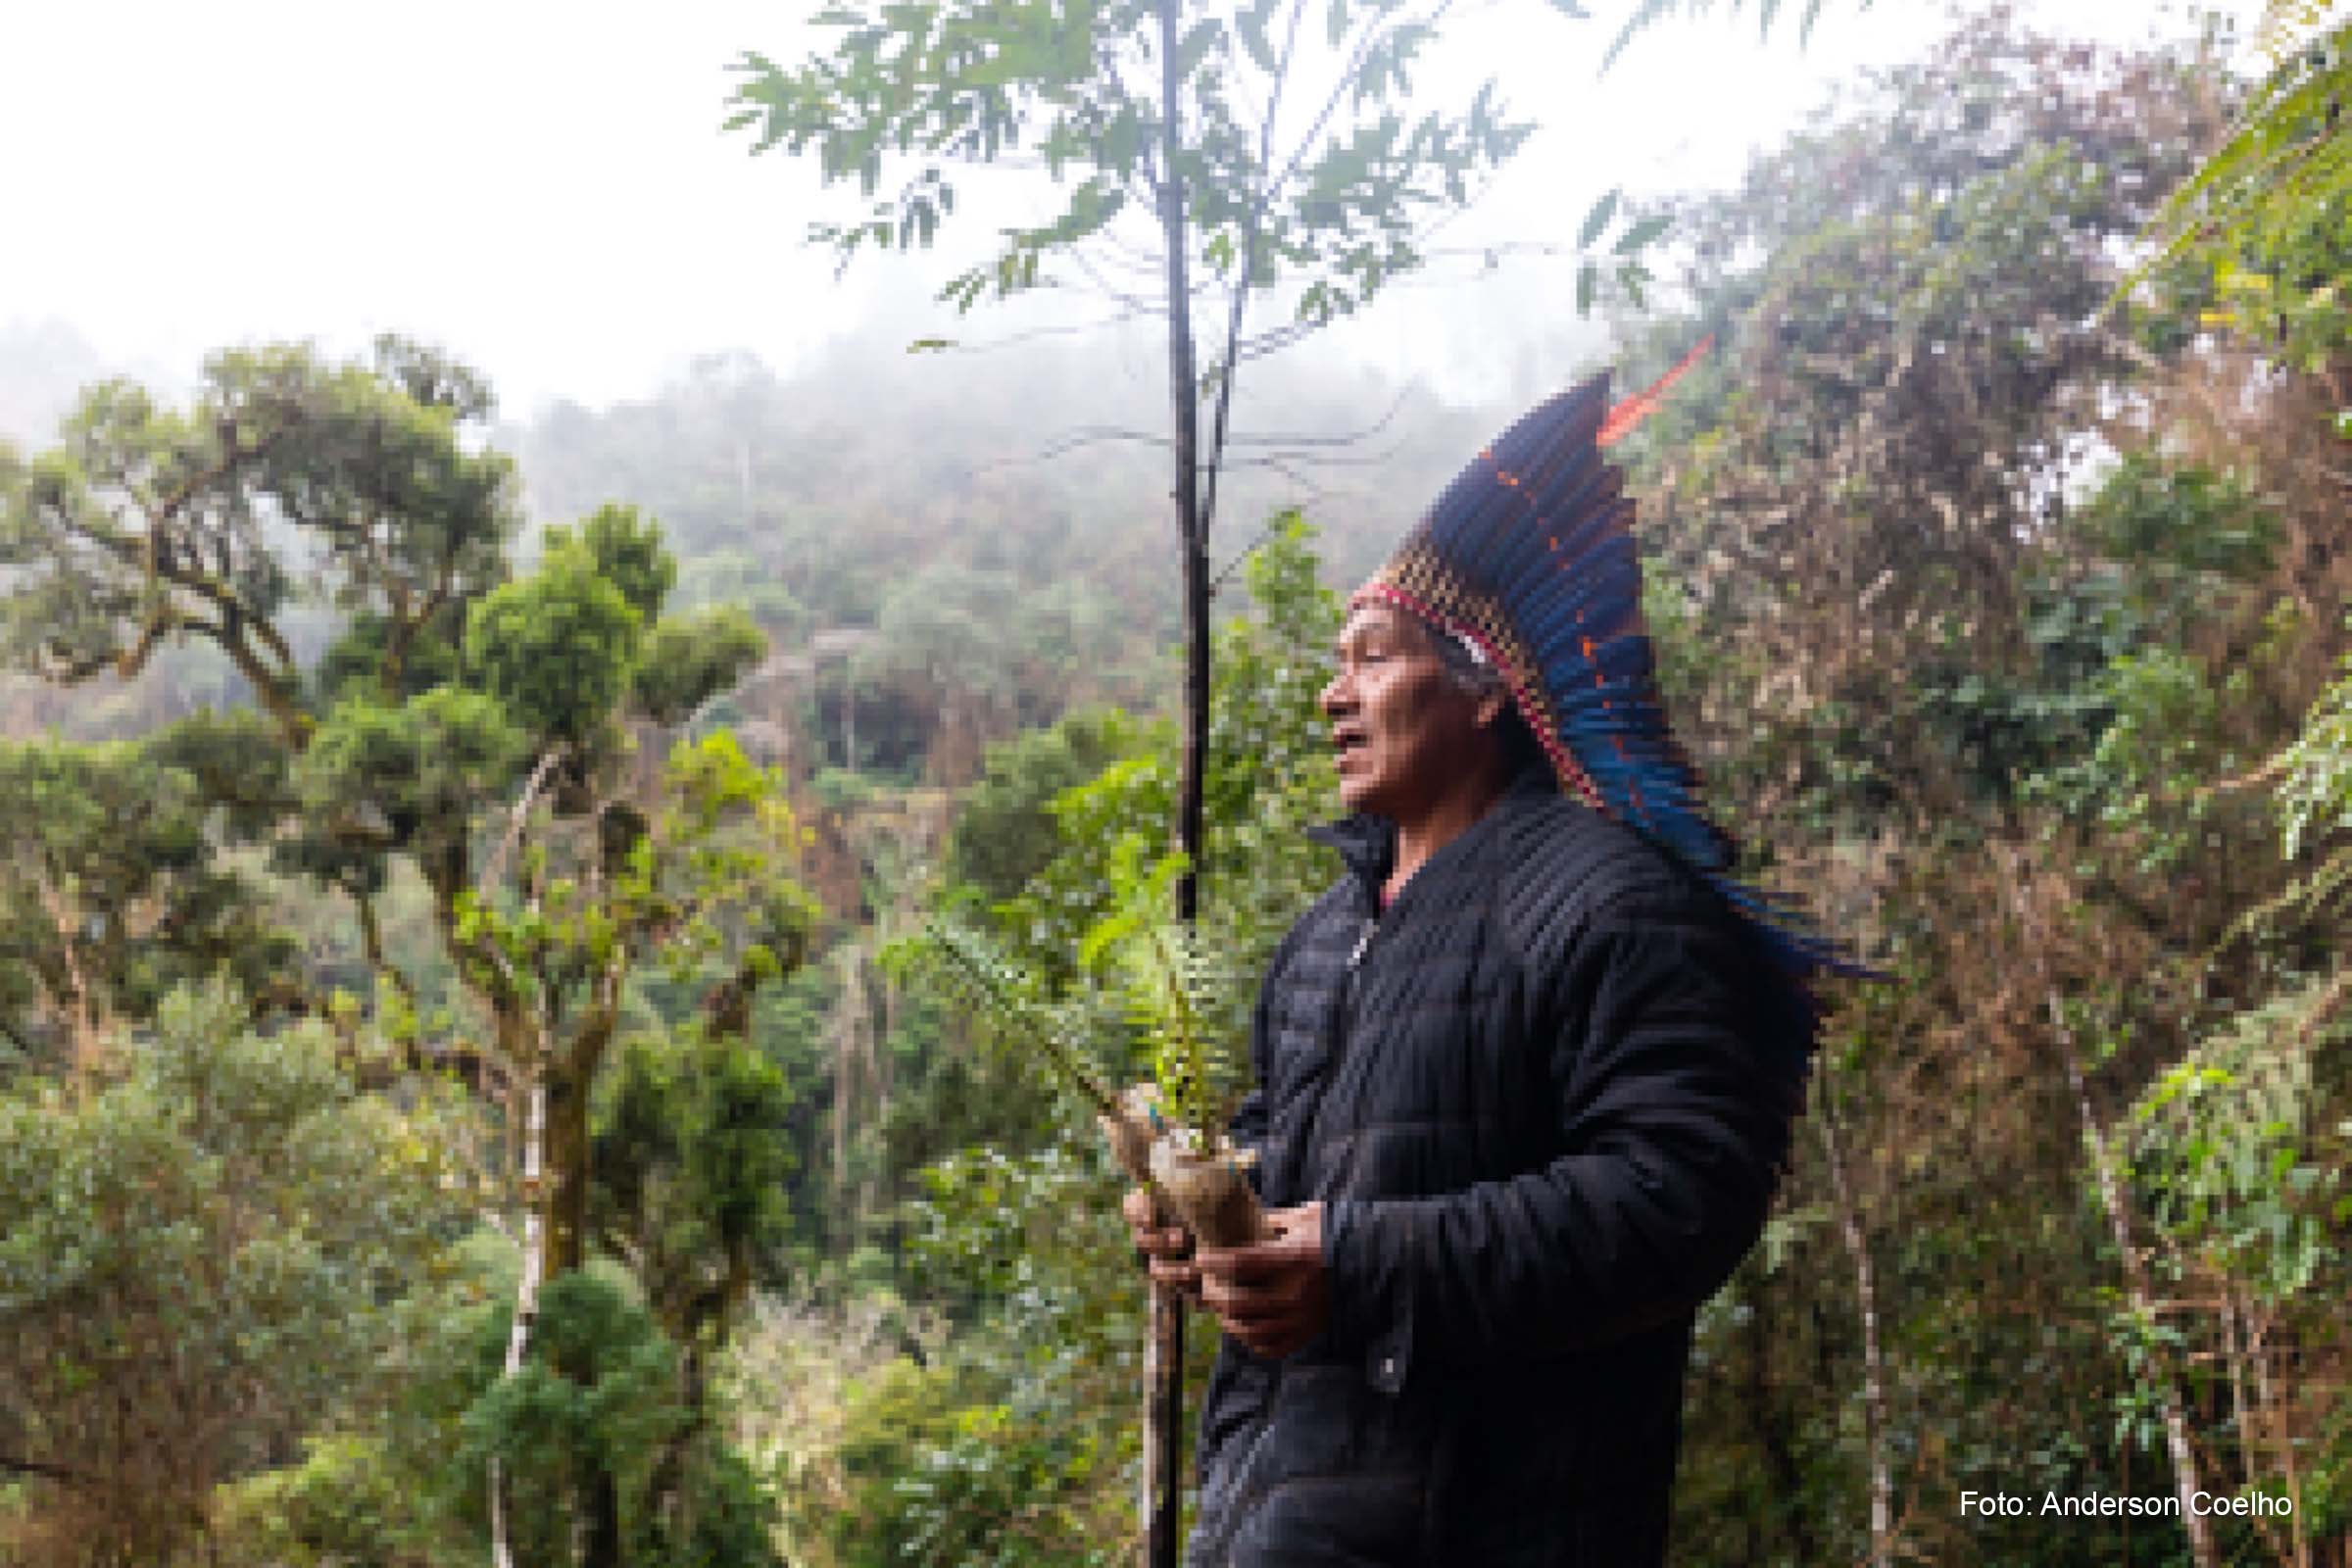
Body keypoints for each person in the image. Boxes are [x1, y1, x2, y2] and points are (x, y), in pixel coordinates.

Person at [1122, 370, 1850, 1566]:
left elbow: (1678, 1195)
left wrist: (1357, 1265)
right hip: (1263, 1525)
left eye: (1369, 656)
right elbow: (1275, 1161)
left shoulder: (1613, 898)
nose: (1331, 691)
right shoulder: (1321, 935)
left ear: (1484, 688)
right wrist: (1201, 1226)